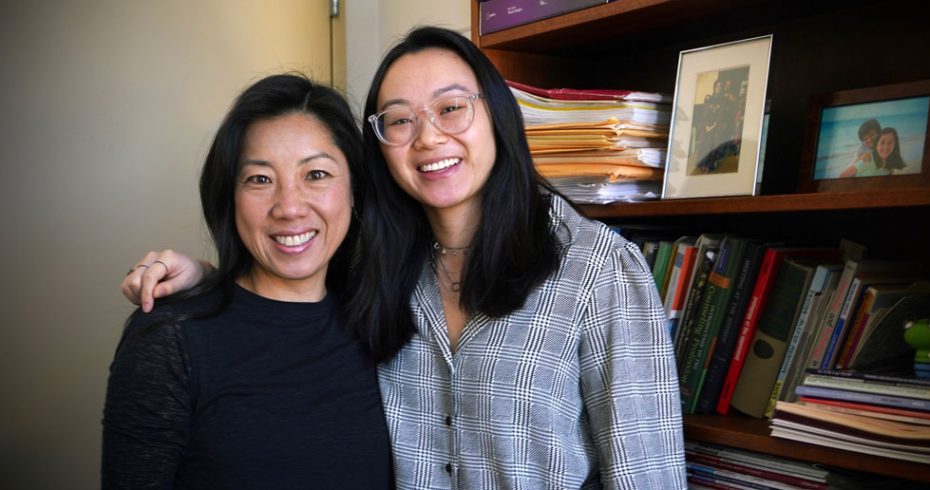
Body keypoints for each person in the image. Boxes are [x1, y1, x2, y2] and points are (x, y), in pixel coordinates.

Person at [122, 26, 688, 489]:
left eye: (451, 108)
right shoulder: (378, 267)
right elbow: (279, 297)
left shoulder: (596, 270)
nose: (428, 138)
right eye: (400, 119)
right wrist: (205, 279)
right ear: (380, 149)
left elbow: (648, 476)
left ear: (496, 115)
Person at [104, 74, 392, 488]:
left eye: (316, 175)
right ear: (229, 196)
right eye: (260, 179)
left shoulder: (380, 320)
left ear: (354, 190)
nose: (289, 207)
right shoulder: (170, 339)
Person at [840, 125, 907, 178]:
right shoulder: (864, 152)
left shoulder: (890, 159)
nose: (869, 140)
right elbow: (845, 174)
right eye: (865, 138)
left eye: (872, 135)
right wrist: (862, 157)